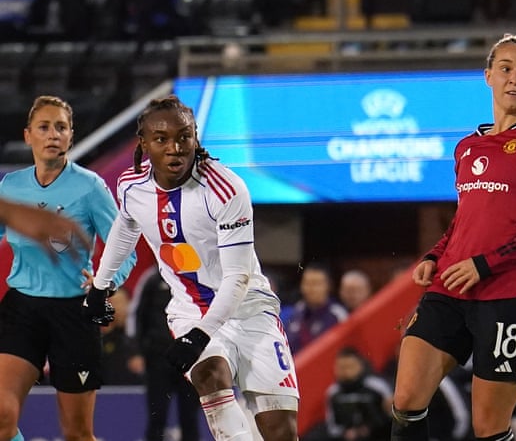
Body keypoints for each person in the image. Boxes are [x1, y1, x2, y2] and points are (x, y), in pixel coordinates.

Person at [390, 34, 516, 441]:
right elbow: (465, 219)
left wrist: (485, 264)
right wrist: (436, 255)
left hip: (509, 294)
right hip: (450, 286)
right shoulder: (467, 147)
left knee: (488, 427)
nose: (515, 78)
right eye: (506, 68)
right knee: (405, 399)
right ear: (488, 76)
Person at [86, 95, 300, 441]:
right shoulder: (130, 186)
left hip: (251, 311)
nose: (175, 148)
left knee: (281, 432)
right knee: (209, 374)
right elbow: (126, 225)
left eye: (184, 137)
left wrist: (198, 337)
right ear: (143, 144)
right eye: (161, 139)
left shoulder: (226, 189)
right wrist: (100, 285)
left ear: (196, 138)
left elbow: (237, 278)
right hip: (190, 309)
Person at [0, 95, 137, 441]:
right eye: (44, 127)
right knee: (1, 417)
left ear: (71, 136)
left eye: (61, 127)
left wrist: (106, 283)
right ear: (28, 135)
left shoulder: (90, 187)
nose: (53, 134)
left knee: (77, 433)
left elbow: (126, 249)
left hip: (74, 314)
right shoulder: (11, 187)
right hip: (22, 309)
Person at [132, 270, 201, 441]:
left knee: (190, 416)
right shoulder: (152, 280)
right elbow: (138, 316)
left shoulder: (196, 279)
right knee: (157, 414)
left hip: (189, 358)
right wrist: (137, 351)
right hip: (158, 358)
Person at [285, 264, 348, 353]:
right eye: (307, 283)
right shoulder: (296, 312)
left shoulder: (337, 315)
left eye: (316, 284)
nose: (311, 289)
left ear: (328, 286)